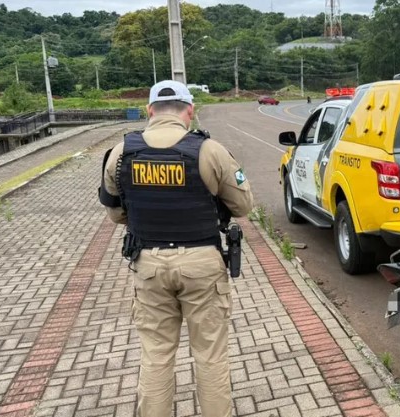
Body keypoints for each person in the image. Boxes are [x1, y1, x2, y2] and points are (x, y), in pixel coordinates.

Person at [98, 80, 253, 417]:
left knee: (155, 355)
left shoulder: (120, 153)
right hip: (202, 264)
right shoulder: (210, 150)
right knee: (210, 356)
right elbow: (243, 206)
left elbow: (115, 213)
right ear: (189, 111)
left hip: (149, 263)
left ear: (150, 110)